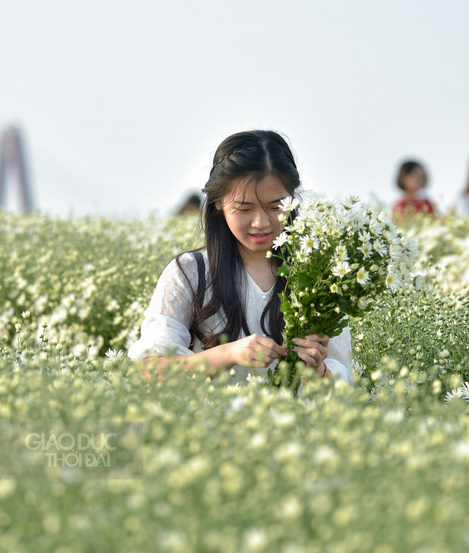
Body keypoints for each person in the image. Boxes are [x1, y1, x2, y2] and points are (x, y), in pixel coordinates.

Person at [129, 130, 353, 385]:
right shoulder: (191, 272)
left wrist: (319, 371)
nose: (261, 222)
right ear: (218, 202)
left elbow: (344, 380)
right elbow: (152, 368)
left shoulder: (320, 277)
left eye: (276, 206)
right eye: (244, 208)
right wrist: (230, 353)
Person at [391, 160, 435, 224]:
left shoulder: (426, 203)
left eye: (422, 176)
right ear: (404, 177)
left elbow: (435, 221)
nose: (420, 180)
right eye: (417, 176)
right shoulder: (400, 205)